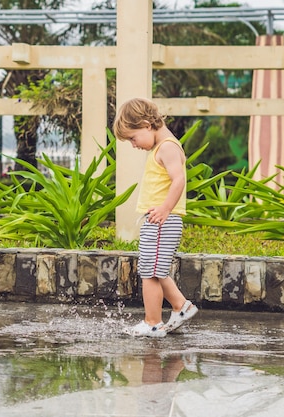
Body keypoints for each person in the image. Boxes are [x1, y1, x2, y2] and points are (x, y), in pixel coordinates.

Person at [113, 97, 198, 338]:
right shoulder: (161, 147)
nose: (133, 144)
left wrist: (165, 209)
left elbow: (179, 179)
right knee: (155, 270)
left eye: (132, 137)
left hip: (163, 220)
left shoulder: (168, 147)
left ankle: (152, 322)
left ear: (147, 124)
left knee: (149, 272)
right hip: (158, 220)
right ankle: (182, 307)